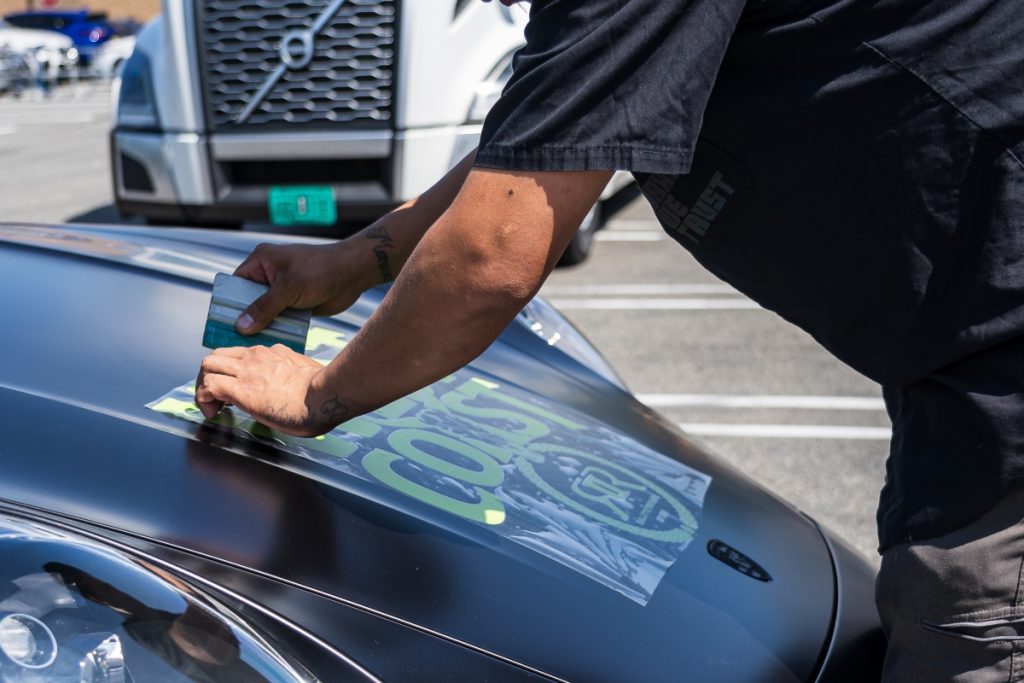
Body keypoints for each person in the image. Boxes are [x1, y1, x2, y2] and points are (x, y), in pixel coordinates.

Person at [195, 0, 1023, 679]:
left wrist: (318, 392)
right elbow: (548, 136)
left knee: (966, 629)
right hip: (959, 359)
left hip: (1001, 361)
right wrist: (356, 260)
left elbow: (492, 253)